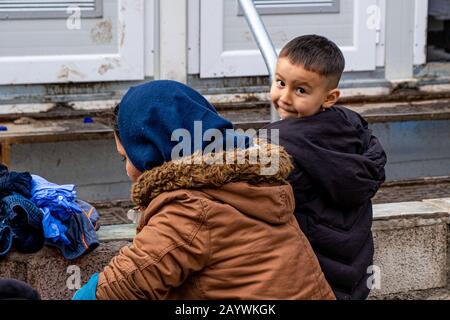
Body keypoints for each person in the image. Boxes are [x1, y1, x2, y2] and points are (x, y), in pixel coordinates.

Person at [73, 80, 335, 300]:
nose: (126, 169)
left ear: (150, 154)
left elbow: (125, 284)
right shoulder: (251, 182)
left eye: (125, 157)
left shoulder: (191, 209)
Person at [264, 35, 387, 300]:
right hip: (354, 276)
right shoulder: (352, 126)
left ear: (330, 97)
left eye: (301, 91)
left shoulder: (276, 145)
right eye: (280, 82)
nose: (284, 97)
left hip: (309, 278)